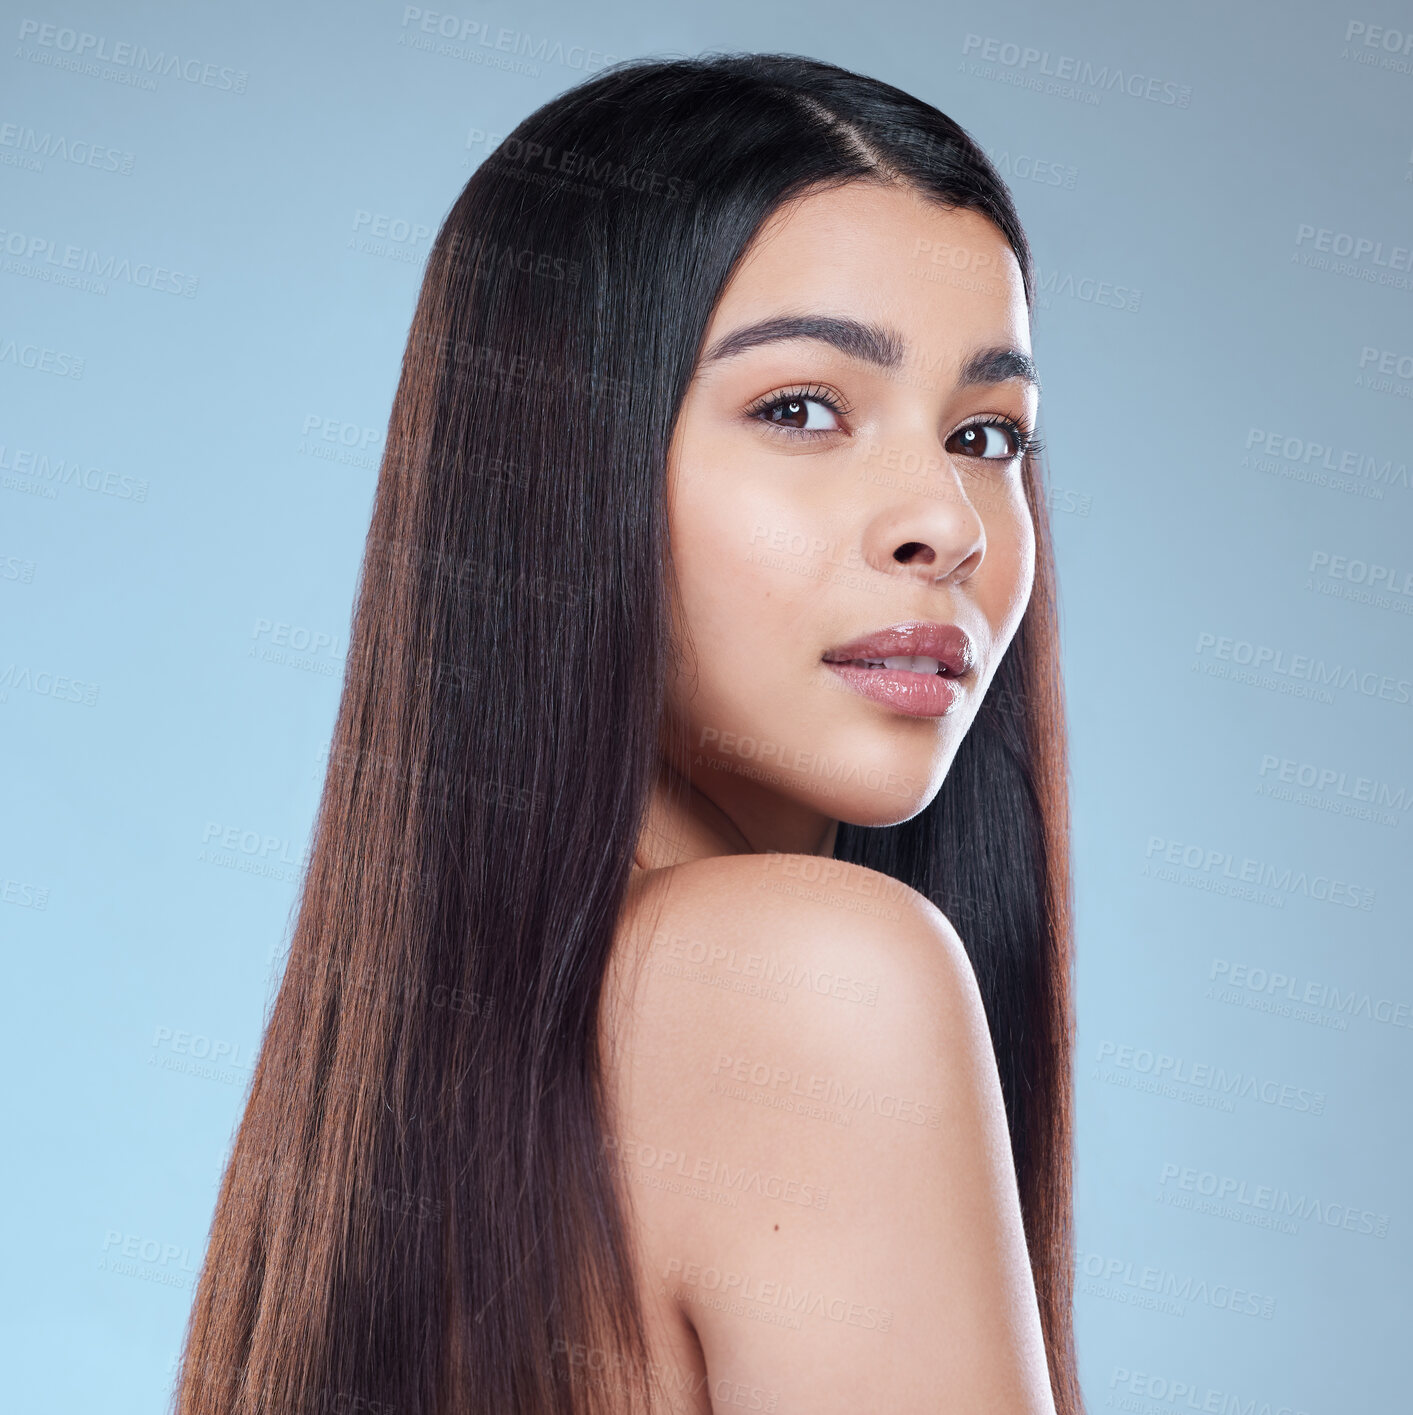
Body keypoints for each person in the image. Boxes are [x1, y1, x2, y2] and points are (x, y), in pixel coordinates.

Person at [174, 51, 1081, 1415]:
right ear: (562, 467)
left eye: (988, 434)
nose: (945, 522)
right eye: (798, 409)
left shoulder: (390, 1110)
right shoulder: (813, 979)